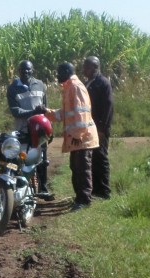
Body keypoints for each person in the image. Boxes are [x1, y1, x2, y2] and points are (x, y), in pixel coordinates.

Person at [46, 62, 99, 210]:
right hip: (77, 138)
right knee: (76, 168)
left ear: (67, 72)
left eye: (59, 73)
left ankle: (84, 201)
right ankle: (79, 198)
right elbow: (66, 113)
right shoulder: (69, 87)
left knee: (82, 169)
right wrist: (47, 113)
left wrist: (77, 134)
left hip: (82, 138)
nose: (57, 76)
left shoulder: (75, 87)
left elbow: (82, 113)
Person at [7, 59, 53, 199]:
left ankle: (43, 188)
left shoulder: (40, 85)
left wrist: (49, 128)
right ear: (18, 71)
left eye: (28, 69)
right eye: (23, 70)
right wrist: (33, 112)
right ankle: (17, 190)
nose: (26, 72)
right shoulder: (13, 88)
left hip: (39, 130)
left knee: (42, 160)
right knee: (20, 160)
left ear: (32, 70)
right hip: (23, 131)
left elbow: (44, 109)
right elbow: (15, 111)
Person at [82, 55, 113, 199]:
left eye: (87, 66)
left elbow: (108, 108)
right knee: (92, 158)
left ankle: (104, 190)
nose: (84, 69)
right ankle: (95, 189)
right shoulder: (89, 82)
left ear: (95, 67)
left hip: (100, 128)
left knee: (101, 157)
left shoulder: (103, 83)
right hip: (90, 127)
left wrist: (102, 129)